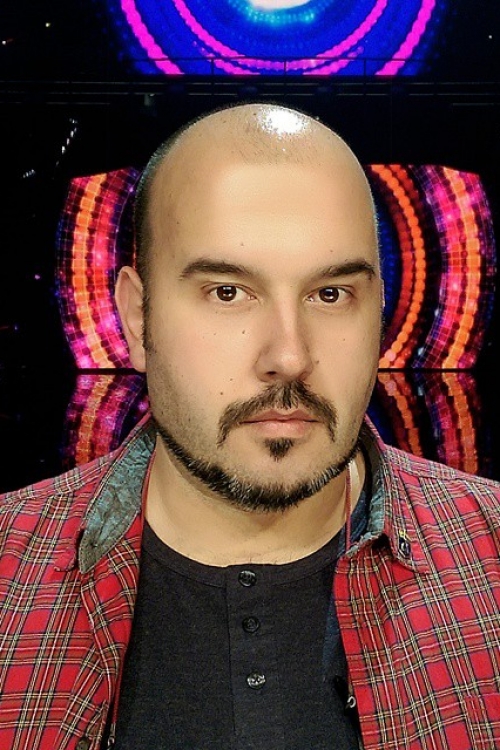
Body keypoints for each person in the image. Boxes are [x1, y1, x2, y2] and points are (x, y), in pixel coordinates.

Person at [0, 102, 499, 750]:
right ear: (137, 317)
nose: (288, 356)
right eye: (227, 293)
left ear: (379, 309)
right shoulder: (10, 569)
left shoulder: (490, 555)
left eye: (330, 295)